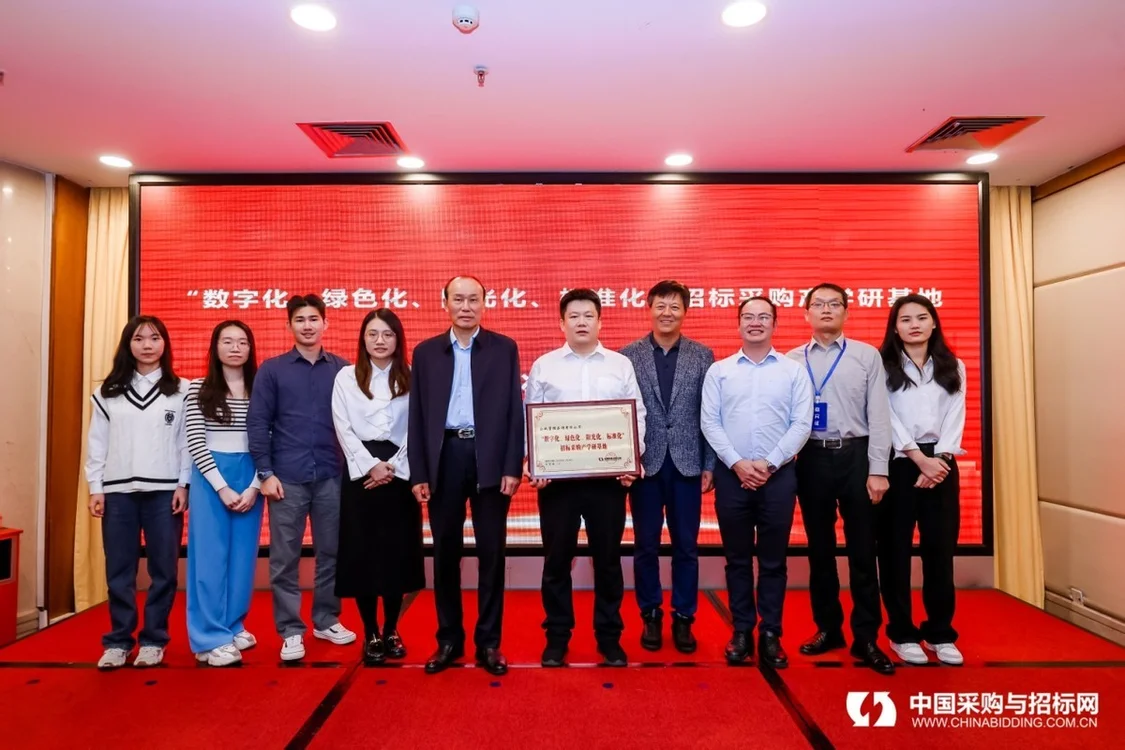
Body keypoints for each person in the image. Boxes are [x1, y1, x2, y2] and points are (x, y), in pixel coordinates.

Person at [408, 275, 524, 676]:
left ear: (484, 304)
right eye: (458, 299)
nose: (466, 306)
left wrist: (512, 465)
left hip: (489, 457)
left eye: (474, 299)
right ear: (444, 303)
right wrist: (419, 472)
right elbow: (417, 417)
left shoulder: (504, 348)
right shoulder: (426, 353)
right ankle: (448, 639)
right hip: (444, 456)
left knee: (492, 553)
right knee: (445, 553)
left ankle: (489, 642)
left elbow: (514, 412)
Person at [525, 288, 647, 668]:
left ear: (600, 321)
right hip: (558, 484)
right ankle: (557, 637)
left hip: (607, 481)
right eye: (574, 316)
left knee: (607, 561)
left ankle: (609, 638)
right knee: (556, 561)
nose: (581, 322)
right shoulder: (545, 366)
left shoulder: (620, 365)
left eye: (588, 315)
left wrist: (632, 458)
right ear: (561, 323)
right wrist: (535, 462)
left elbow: (637, 414)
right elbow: (531, 417)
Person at [786, 282, 895, 674]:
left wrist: (879, 469)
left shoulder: (866, 356)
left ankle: (866, 636)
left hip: (857, 456)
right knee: (820, 551)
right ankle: (828, 628)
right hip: (811, 457)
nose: (827, 310)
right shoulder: (791, 360)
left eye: (835, 304)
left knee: (863, 551)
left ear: (847, 312)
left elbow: (880, 416)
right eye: (818, 304)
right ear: (806, 314)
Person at [701, 297, 812, 668]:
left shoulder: (793, 371)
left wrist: (768, 463)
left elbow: (802, 423)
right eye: (748, 316)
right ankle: (741, 630)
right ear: (738, 324)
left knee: (773, 560)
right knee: (736, 560)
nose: (755, 322)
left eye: (764, 317)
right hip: (732, 476)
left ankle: (771, 633)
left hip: (778, 477)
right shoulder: (719, 371)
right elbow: (709, 422)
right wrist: (737, 464)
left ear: (775, 325)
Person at [248, 293, 356, 662]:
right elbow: (258, 424)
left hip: (331, 475)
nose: (307, 326)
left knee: (332, 554)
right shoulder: (272, 370)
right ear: (289, 325)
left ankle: (326, 619)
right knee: (284, 559)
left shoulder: (343, 370)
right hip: (286, 479)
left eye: (313, 319)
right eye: (300, 320)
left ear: (326, 323)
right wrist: (265, 473)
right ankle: (291, 630)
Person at [85, 315, 190, 670]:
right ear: (127, 345)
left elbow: (186, 444)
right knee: (119, 570)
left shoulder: (182, 390)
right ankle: (118, 641)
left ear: (165, 344)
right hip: (118, 492)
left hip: (164, 493)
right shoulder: (107, 393)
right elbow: (97, 444)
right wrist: (95, 488)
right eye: (139, 338)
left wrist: (183, 484)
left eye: (155, 338)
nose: (147, 345)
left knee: (164, 570)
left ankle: (154, 640)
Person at [620, 280, 715, 653]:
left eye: (675, 306)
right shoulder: (627, 356)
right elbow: (622, 412)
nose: (667, 313)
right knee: (645, 545)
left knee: (686, 546)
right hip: (645, 465)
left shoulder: (703, 355)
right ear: (649, 309)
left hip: (687, 464)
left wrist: (709, 463)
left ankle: (684, 617)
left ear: (685, 312)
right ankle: (650, 614)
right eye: (660, 305)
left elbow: (709, 414)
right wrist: (625, 460)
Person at [876, 294, 966, 666]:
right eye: (905, 319)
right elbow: (885, 416)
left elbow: (956, 414)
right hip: (899, 462)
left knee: (940, 552)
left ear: (933, 323)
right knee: (894, 551)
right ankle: (901, 632)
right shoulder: (882, 366)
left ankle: (940, 633)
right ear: (895, 327)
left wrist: (940, 460)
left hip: (942, 464)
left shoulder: (953, 365)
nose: (914, 324)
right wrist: (917, 458)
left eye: (922, 317)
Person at [332, 309, 425, 666]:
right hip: (361, 474)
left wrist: (394, 468)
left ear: (398, 339)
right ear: (363, 339)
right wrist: (370, 465)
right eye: (372, 334)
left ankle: (391, 628)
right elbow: (342, 427)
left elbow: (418, 426)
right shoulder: (346, 377)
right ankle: (370, 631)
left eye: (387, 334)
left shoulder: (412, 376)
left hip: (401, 473)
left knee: (396, 554)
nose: (380, 340)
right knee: (363, 554)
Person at [185, 320, 263, 667]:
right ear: (215, 347)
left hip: (251, 474)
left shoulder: (262, 387)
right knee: (209, 557)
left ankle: (232, 625)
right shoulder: (198, 388)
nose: (235, 348)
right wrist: (222, 486)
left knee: (242, 557)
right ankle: (208, 637)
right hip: (211, 477)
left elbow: (270, 438)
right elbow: (195, 442)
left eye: (242, 342)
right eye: (227, 341)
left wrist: (255, 485)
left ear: (250, 348)